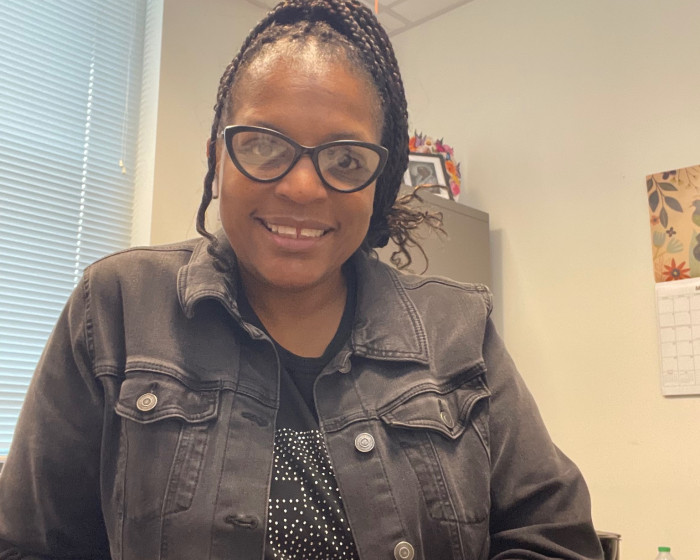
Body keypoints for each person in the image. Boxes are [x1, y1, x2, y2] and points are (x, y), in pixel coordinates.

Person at [0, 1, 604, 559]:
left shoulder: (459, 332)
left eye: (345, 159)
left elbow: (553, 537)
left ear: (378, 180)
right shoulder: (117, 307)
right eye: (265, 145)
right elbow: (29, 543)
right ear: (216, 159)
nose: (302, 188)